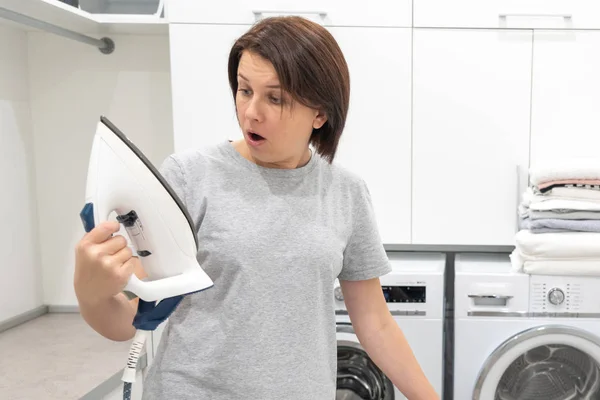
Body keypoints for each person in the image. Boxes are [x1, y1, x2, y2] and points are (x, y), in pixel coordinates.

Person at [74, 16, 439, 400]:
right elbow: (130, 318)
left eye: (275, 97)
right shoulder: (190, 176)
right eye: (245, 90)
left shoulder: (345, 192)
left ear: (320, 114)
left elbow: (375, 323)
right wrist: (91, 293)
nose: (251, 111)